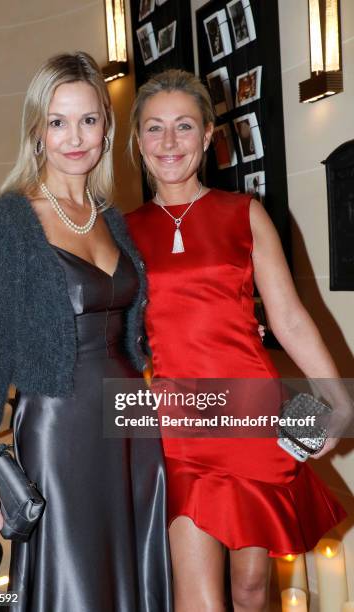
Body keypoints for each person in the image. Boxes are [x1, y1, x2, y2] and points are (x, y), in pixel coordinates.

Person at [125, 69, 351, 612]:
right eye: (154, 129)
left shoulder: (243, 214)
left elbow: (290, 318)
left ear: (207, 136)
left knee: (251, 589)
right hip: (177, 424)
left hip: (252, 415)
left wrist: (341, 399)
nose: (169, 142)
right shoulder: (120, 230)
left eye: (183, 126)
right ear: (138, 142)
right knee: (199, 599)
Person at [0, 52, 172, 612]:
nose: (75, 137)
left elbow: (136, 327)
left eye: (88, 120)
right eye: (58, 122)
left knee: (129, 571)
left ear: (107, 128)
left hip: (131, 421)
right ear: (37, 132)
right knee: (76, 580)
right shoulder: (12, 219)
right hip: (59, 426)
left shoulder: (111, 219)